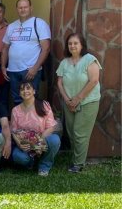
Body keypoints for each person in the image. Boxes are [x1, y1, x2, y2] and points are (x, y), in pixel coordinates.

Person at [56, 33, 101, 173]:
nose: (72, 46)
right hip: (69, 103)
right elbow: (59, 82)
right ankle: (76, 159)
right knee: (71, 133)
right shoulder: (64, 62)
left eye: (75, 43)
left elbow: (93, 80)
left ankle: (78, 164)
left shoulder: (90, 59)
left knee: (80, 133)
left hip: (88, 102)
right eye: (70, 43)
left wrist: (77, 99)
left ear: (82, 45)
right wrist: (67, 99)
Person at [1, 0, 51, 104]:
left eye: (25, 7)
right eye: (20, 7)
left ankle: (32, 121)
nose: (22, 9)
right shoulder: (11, 26)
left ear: (31, 8)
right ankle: (20, 121)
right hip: (13, 71)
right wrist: (3, 67)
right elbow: (5, 48)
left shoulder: (39, 24)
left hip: (30, 70)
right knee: (17, 100)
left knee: (32, 100)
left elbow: (46, 48)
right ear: (17, 9)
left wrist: (35, 68)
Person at [11, 82, 61, 176]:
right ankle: (30, 163)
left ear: (34, 91)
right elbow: (13, 131)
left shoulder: (44, 105)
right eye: (22, 89)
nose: (25, 91)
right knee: (18, 156)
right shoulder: (15, 110)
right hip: (26, 143)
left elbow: (51, 127)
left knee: (55, 140)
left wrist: (38, 142)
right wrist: (19, 144)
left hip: (42, 140)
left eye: (28, 88)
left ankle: (44, 166)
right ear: (19, 93)